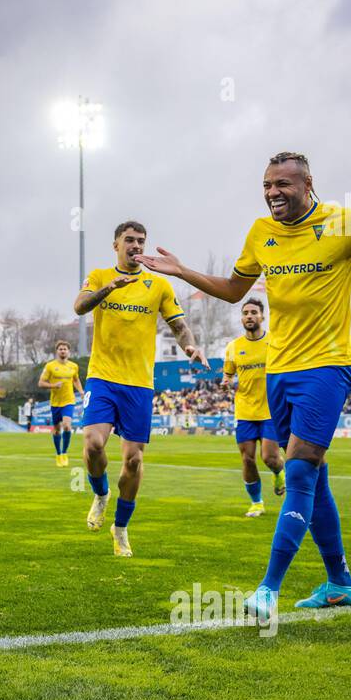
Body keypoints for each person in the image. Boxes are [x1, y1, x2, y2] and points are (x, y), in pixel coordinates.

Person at [141, 151, 351, 619]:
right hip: (279, 370)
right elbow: (235, 290)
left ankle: (267, 588)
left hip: (327, 366)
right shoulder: (260, 233)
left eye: (283, 184)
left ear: (308, 183)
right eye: (267, 185)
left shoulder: (346, 224)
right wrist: (182, 270)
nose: (273, 192)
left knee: (298, 469)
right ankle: (340, 583)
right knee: (316, 477)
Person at [73, 221, 205, 558]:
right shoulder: (101, 276)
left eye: (141, 241)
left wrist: (190, 347)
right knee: (93, 444)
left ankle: (120, 529)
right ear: (115, 244)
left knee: (132, 461)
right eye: (129, 240)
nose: (135, 245)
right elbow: (79, 306)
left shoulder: (158, 284)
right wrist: (108, 290)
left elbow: (179, 325)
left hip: (139, 384)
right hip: (102, 377)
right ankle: (101, 494)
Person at [221, 299, 284, 515]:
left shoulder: (275, 342)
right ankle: (257, 503)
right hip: (245, 411)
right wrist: (226, 382)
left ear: (262, 317)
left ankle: (278, 473)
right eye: (245, 312)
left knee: (269, 457)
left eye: (253, 312)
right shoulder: (233, 347)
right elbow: (228, 373)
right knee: (247, 459)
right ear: (242, 318)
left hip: (271, 410)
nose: (249, 316)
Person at [38, 340, 83, 466]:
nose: (63, 351)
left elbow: (76, 380)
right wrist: (53, 385)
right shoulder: (50, 366)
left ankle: (64, 453)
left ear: (69, 351)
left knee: (67, 426)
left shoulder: (73, 366)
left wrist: (81, 391)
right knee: (57, 430)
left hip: (69, 401)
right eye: (60, 349)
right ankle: (58, 454)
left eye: (65, 349)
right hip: (55, 403)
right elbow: (41, 383)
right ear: (57, 351)